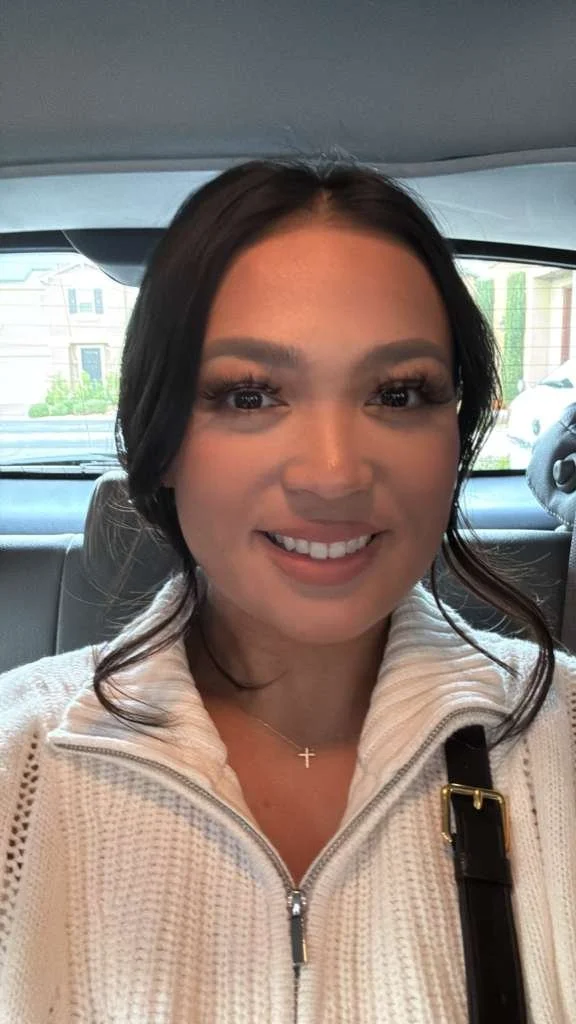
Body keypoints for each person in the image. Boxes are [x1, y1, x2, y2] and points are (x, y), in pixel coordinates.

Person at [1, 157, 575, 1023]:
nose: (335, 475)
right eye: (250, 395)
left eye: (399, 392)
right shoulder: (19, 765)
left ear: (457, 434)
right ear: (159, 442)